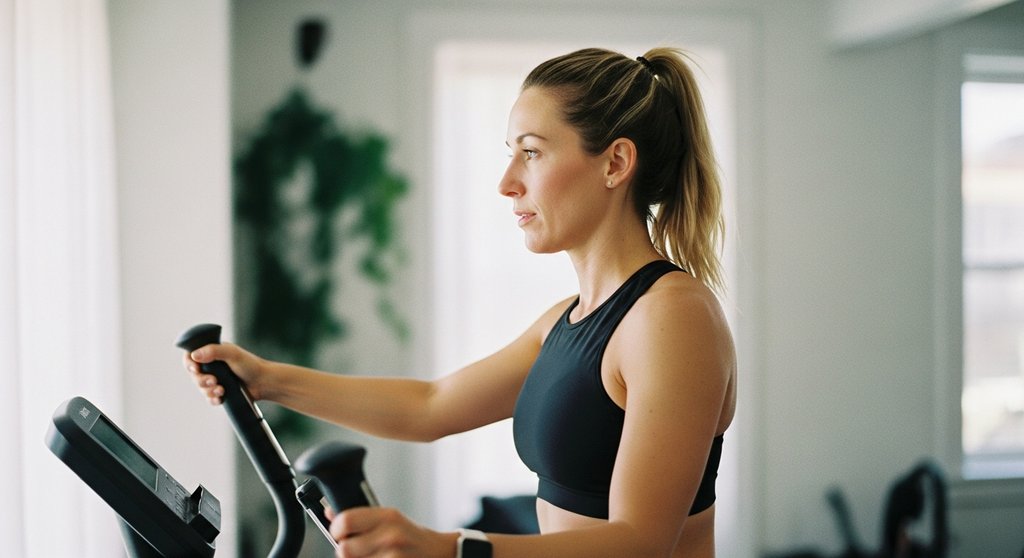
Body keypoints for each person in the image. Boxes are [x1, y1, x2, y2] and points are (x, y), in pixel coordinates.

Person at [185, 46, 737, 558]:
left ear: (615, 163)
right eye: (511, 154)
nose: (507, 182)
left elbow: (641, 543)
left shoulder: (672, 316)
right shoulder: (568, 320)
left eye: (531, 153)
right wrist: (267, 379)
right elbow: (429, 407)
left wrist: (449, 548)